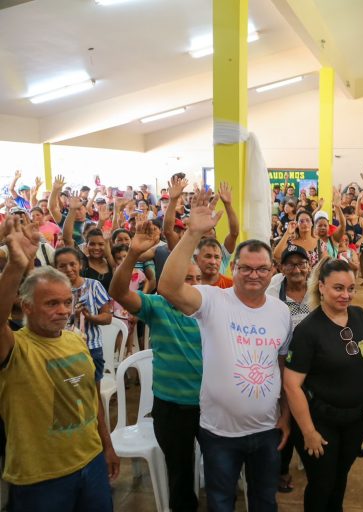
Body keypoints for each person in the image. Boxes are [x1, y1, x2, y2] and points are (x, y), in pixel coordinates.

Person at [157, 189, 291, 512]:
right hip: (219, 434)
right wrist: (192, 233)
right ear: (236, 268)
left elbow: (282, 365)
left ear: (272, 271)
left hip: (266, 430)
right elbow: (168, 287)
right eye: (246, 268)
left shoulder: (280, 311)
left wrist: (286, 415)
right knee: (220, 502)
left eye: (261, 269)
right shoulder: (213, 300)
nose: (254, 275)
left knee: (264, 501)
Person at [0, 217, 119, 510]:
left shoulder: (76, 339)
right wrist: (16, 265)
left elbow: (91, 397)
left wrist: (107, 445)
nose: (63, 311)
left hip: (90, 464)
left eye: (67, 302)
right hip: (41, 478)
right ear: (27, 306)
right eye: (51, 303)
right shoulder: (16, 347)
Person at [109, 221, 204, 511]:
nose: (189, 285)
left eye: (194, 279)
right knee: (179, 474)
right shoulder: (157, 305)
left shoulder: (209, 307)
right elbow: (119, 292)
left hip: (211, 405)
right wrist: (134, 255)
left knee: (218, 467)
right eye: (184, 278)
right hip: (172, 407)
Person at [283, 257, 363, 511]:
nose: (346, 295)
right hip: (320, 422)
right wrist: (308, 431)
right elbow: (291, 384)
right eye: (338, 288)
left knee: (340, 479)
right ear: (321, 287)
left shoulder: (361, 317)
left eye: (350, 289)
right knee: (322, 483)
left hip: (355, 419)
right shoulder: (308, 331)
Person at [266, 243, 313, 493]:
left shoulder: (318, 289)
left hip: (313, 368)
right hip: (281, 363)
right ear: (282, 268)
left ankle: (311, 461)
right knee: (284, 417)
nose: (297, 269)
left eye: (301, 263)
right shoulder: (273, 292)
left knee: (309, 414)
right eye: (291, 264)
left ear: (308, 266)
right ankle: (282, 469)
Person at [54, 246, 113, 385]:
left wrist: (91, 317)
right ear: (55, 269)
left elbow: (107, 317)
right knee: (68, 391)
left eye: (72, 264)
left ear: (80, 265)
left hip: (91, 348)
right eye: (62, 266)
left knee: (93, 390)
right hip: (63, 348)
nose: (68, 269)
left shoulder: (94, 285)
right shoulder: (54, 290)